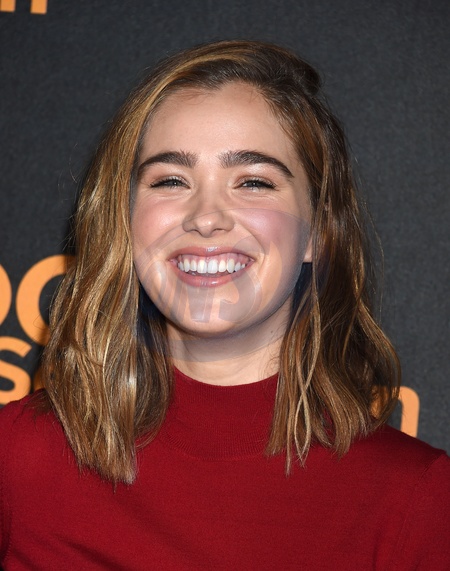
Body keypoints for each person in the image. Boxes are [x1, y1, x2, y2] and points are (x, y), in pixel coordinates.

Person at [0, 40, 449, 570]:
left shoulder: (417, 499)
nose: (206, 217)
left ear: (318, 232)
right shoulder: (17, 459)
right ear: (124, 220)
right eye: (171, 180)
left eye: (253, 182)